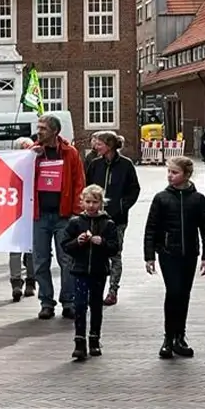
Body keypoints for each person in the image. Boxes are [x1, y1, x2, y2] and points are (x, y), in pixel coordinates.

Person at [143, 155, 205, 359]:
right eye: (169, 172)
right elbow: (151, 229)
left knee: (184, 294)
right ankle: (168, 337)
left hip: (189, 253)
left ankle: (180, 336)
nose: (170, 176)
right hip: (168, 253)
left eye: (175, 172)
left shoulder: (198, 199)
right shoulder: (161, 198)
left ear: (187, 175)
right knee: (173, 292)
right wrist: (150, 256)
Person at [28, 114, 86, 320]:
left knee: (67, 260)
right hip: (40, 216)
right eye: (38, 127)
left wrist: (76, 213)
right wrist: (30, 158)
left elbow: (79, 183)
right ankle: (46, 302)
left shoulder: (70, 153)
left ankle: (68, 301)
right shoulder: (32, 153)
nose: (39, 131)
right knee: (40, 260)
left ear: (55, 131)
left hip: (64, 216)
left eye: (43, 128)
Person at [61, 184, 121, 361]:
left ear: (101, 203)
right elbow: (65, 246)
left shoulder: (108, 224)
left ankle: (94, 339)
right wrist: (78, 242)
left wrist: (101, 242)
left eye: (95, 202)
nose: (91, 205)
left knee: (96, 305)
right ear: (82, 202)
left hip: (98, 271)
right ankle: (79, 341)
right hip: (79, 270)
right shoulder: (75, 222)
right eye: (87, 201)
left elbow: (114, 248)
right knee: (79, 305)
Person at [84, 131, 141, 305]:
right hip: (96, 216)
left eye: (99, 143)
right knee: (95, 253)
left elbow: (134, 189)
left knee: (115, 253)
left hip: (118, 218)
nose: (96, 146)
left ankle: (113, 290)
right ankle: (95, 289)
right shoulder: (94, 164)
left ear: (108, 145)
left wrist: (122, 206)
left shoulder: (126, 165)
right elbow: (88, 186)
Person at [9, 137, 36, 301]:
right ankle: (16, 283)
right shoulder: (12, 168)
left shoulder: (37, 167)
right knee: (15, 251)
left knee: (31, 250)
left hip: (34, 213)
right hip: (15, 214)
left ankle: (31, 282)